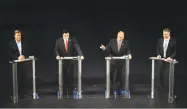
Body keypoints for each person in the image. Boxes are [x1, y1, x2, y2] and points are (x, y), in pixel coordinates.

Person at [100, 31, 132, 96]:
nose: (121, 39)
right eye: (120, 37)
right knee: (110, 75)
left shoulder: (126, 42)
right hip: (112, 62)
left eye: (122, 37)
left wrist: (129, 54)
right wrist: (104, 48)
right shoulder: (112, 41)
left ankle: (118, 91)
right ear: (117, 36)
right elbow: (107, 48)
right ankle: (110, 90)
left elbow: (128, 50)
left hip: (120, 62)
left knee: (119, 76)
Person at [55, 29, 84, 95]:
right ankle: (62, 88)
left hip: (70, 60)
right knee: (63, 74)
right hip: (62, 61)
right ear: (63, 35)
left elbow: (77, 47)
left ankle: (71, 88)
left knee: (71, 74)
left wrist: (81, 55)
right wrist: (57, 55)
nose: (66, 37)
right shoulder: (58, 41)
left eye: (67, 35)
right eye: (65, 35)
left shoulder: (72, 40)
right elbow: (56, 50)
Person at [8, 29, 29, 98]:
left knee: (23, 78)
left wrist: (24, 56)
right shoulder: (11, 44)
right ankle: (15, 94)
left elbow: (27, 52)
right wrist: (18, 57)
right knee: (16, 79)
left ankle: (22, 94)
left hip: (23, 64)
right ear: (14, 36)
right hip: (15, 65)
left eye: (19, 35)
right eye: (17, 35)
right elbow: (9, 54)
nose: (18, 37)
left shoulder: (24, 43)